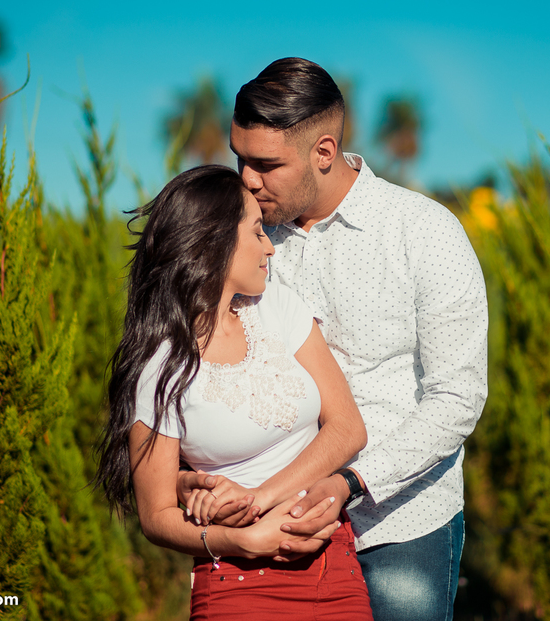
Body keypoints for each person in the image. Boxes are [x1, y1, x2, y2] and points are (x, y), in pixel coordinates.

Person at [180, 58, 488, 621]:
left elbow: (457, 398)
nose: (246, 178)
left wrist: (352, 481)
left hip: (401, 523)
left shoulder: (426, 232)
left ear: (324, 152)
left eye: (266, 164)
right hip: (270, 524)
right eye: (240, 158)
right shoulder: (244, 242)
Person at [96, 164, 374, 620]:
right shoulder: (161, 368)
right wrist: (239, 538)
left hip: (332, 565)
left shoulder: (279, 307)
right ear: (215, 242)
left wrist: (256, 500)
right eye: (257, 231)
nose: (270, 247)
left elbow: (348, 428)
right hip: (237, 584)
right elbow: (157, 514)